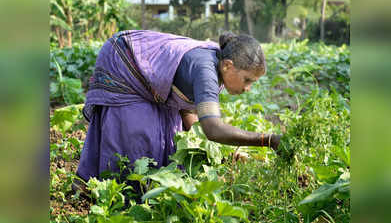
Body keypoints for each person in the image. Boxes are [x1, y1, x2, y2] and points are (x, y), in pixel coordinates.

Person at [74, 30, 281, 190]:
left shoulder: (217, 68)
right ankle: (104, 192)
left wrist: (218, 156)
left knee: (170, 141)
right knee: (141, 139)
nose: (247, 89)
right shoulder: (206, 70)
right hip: (123, 61)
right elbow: (212, 129)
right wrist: (267, 140)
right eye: (247, 80)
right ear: (228, 65)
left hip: (147, 77)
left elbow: (188, 114)